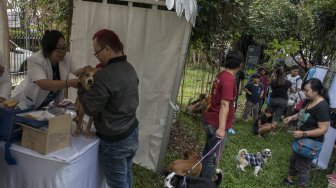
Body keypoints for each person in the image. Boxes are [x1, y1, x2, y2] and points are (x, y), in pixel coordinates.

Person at [77, 29, 139, 188]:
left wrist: (81, 87)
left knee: (119, 184)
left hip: (115, 140)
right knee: (126, 176)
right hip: (131, 132)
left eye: (97, 53)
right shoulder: (130, 68)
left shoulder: (105, 75)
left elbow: (90, 108)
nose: (97, 57)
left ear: (107, 49)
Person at [200, 50, 244, 179]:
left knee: (207, 152)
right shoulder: (229, 80)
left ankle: (199, 179)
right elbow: (225, 104)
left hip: (210, 118)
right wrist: (221, 128)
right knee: (212, 158)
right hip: (216, 124)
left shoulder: (221, 75)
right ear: (240, 65)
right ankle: (205, 183)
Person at [11, 30, 79, 109]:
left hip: (44, 103)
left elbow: (80, 72)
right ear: (49, 48)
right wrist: (69, 83)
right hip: (24, 102)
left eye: (64, 47)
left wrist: (91, 75)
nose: (62, 52)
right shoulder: (35, 60)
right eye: (59, 48)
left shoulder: (67, 57)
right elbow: (43, 84)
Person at [282, 78, 330, 187]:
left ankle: (302, 185)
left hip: (311, 143)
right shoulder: (308, 100)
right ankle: (289, 180)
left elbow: (323, 129)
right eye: (304, 90)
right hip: (300, 138)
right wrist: (292, 117)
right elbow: (301, 114)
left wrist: (304, 133)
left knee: (303, 167)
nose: (304, 93)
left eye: (307, 91)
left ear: (316, 91)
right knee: (294, 159)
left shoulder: (322, 107)